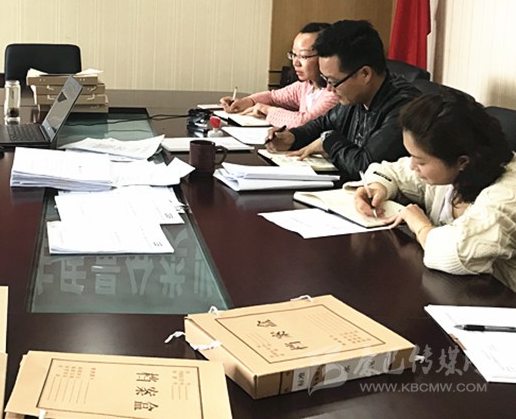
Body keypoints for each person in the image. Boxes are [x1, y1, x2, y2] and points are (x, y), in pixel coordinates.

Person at [355, 90, 516, 291]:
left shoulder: (506, 195)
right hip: (455, 291)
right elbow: (391, 172)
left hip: (501, 301)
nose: (412, 166)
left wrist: (420, 224)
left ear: (463, 162)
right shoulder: (451, 166)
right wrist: (377, 187)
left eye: (420, 161)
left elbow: (453, 254)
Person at [266, 19, 420, 179]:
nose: (329, 89)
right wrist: (293, 137)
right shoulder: (356, 94)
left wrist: (328, 140)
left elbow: (365, 166)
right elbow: (323, 123)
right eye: (325, 80)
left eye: (333, 81)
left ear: (365, 74)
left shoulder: (405, 108)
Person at [220, 22, 339, 127]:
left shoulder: (335, 92)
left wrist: (267, 110)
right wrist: (247, 101)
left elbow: (304, 122)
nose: (295, 63)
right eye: (294, 55)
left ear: (326, 57)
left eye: (303, 56)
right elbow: (273, 97)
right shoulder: (306, 86)